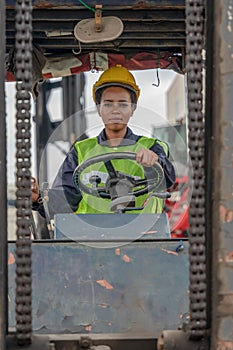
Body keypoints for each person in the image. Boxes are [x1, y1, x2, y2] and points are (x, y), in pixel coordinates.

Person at [32, 65, 176, 217]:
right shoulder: (81, 151)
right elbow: (66, 198)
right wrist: (39, 198)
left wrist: (152, 164)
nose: (115, 110)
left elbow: (167, 178)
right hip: (90, 237)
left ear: (132, 108)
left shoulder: (152, 147)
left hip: (146, 236)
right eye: (108, 104)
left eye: (122, 104)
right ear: (99, 108)